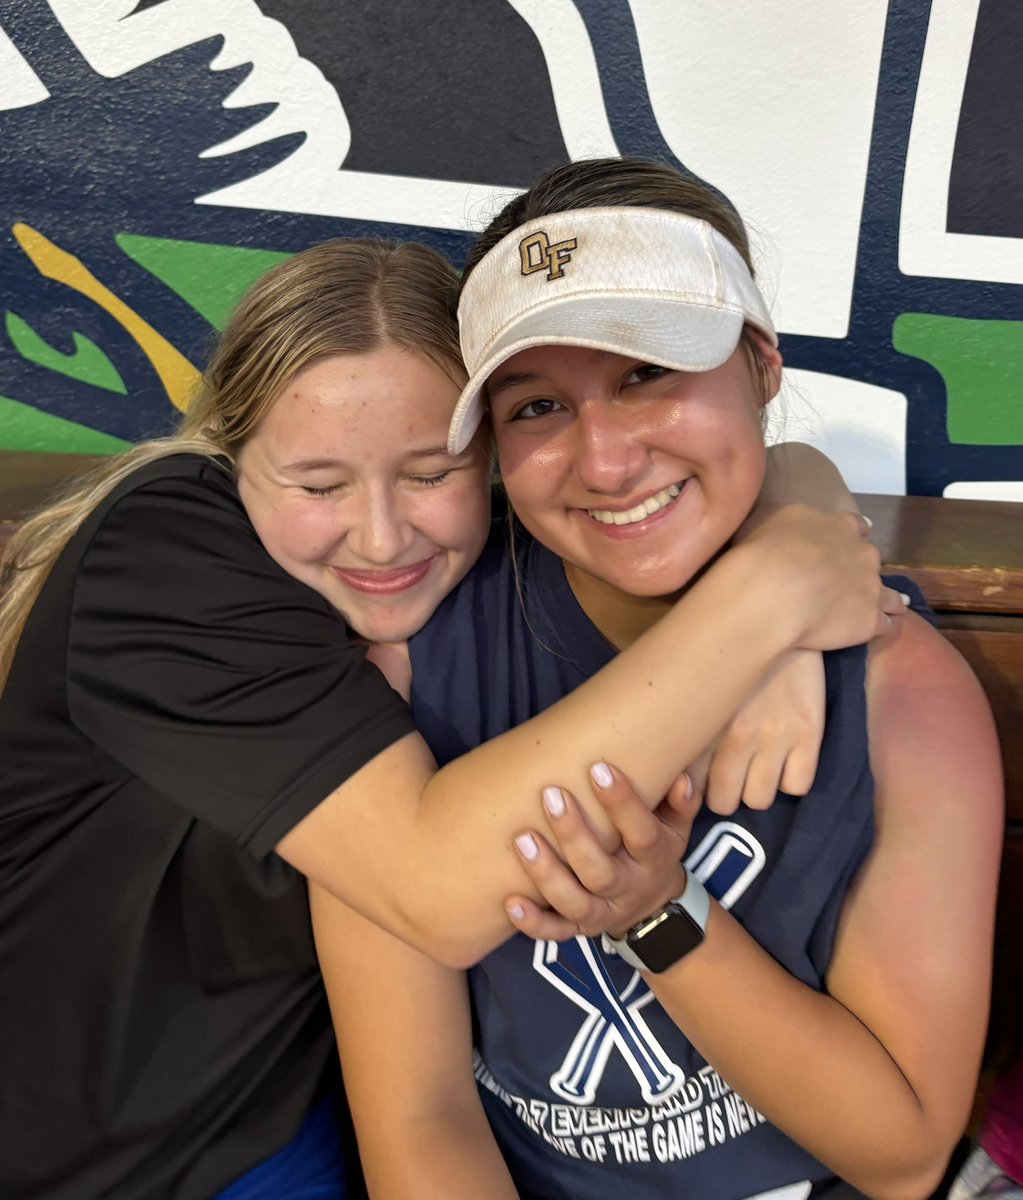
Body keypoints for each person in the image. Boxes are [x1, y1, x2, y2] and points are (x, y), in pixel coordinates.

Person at [0, 235, 897, 1200]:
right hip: (101, 1158)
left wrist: (796, 510)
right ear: (230, 456)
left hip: (293, 1111)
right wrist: (766, 605)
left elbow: (751, 475)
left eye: (432, 473)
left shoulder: (487, 557)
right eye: (316, 485)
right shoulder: (166, 545)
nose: (382, 536)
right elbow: (439, 891)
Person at [315, 159, 1005, 1200]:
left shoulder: (899, 688)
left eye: (647, 375)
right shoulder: (420, 657)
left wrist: (658, 913)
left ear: (762, 365)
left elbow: (901, 1153)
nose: (605, 460)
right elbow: (420, 1114)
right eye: (538, 405)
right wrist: (767, 595)